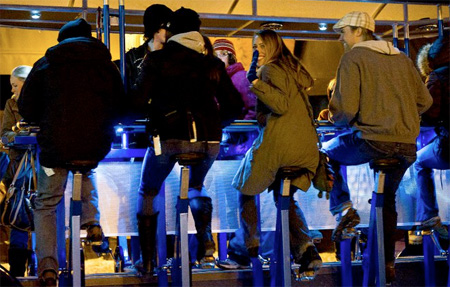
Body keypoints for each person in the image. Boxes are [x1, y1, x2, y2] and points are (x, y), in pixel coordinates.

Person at [322, 11, 432, 282]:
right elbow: (425, 102)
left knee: (324, 151)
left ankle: (344, 209)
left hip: (372, 141)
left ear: (359, 31)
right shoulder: (403, 59)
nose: (340, 38)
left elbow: (345, 109)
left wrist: (333, 117)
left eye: (343, 31)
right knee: (386, 200)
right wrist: (402, 115)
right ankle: (384, 264)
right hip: (406, 146)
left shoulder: (354, 57)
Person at [133, 7, 243, 273]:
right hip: (208, 142)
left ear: (172, 31)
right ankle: (206, 246)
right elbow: (235, 106)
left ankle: (147, 262)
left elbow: (136, 101)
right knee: (196, 185)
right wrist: (215, 123)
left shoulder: (156, 60)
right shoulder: (213, 64)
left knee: (148, 190)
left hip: (169, 138)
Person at [18, 18, 125, 286]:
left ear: (62, 40)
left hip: (56, 146)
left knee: (46, 203)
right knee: (85, 167)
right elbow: (122, 106)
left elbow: (26, 107)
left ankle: (48, 268)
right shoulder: (106, 65)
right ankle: (92, 223)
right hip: (95, 145)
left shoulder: (47, 63)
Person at [231, 29, 322, 279]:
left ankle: (247, 246)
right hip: (304, 148)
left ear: (272, 47)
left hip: (282, 145)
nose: (256, 51)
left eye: (261, 45)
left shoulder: (269, 71)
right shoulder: (292, 72)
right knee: (285, 197)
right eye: (254, 46)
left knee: (245, 185)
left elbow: (279, 105)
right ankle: (306, 250)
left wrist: (257, 84)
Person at [0, 65, 34, 278]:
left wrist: (18, 137)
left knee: (23, 218)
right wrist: (21, 137)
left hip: (38, 168)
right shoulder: (11, 104)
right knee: (19, 218)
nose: (12, 90)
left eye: (15, 85)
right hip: (20, 169)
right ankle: (17, 274)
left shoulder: (44, 101)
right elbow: (4, 135)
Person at [414, 33, 449, 241]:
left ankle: (430, 215)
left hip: (448, 146)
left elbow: (430, 114)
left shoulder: (437, 77)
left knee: (419, 161)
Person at [120, 4, 173, 93]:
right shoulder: (133, 57)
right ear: (156, 27)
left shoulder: (173, 55)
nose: (169, 32)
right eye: (166, 27)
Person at [213, 39, 256, 120]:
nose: (219, 58)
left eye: (223, 54)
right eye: (215, 55)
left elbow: (253, 108)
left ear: (231, 56)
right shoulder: (216, 79)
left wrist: (242, 127)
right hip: (224, 129)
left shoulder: (242, 77)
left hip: (238, 129)